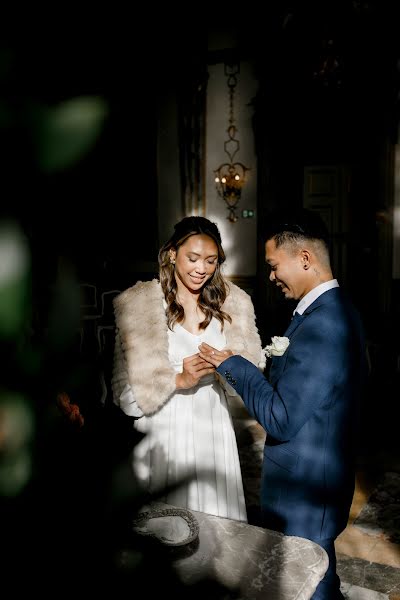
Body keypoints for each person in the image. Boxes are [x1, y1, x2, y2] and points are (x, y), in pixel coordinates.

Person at [199, 208, 367, 599]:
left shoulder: (325, 324)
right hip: (316, 481)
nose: (271, 276)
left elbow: (282, 418)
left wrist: (233, 365)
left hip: (307, 491)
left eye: (274, 266)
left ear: (304, 259)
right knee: (316, 580)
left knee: (309, 586)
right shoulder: (331, 312)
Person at [111, 216, 265, 522]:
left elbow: (250, 382)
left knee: (218, 536)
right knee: (164, 537)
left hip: (213, 429)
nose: (201, 269)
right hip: (163, 433)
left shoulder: (233, 308)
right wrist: (178, 379)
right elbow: (126, 398)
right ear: (172, 253)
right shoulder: (140, 307)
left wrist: (227, 367)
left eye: (210, 261)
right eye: (193, 258)